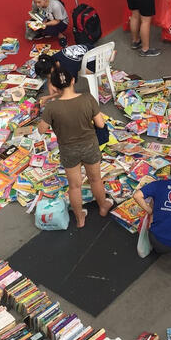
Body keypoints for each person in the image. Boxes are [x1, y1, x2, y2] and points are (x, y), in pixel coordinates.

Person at [37, 67, 113, 228]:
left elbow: (41, 130)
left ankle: (80, 218)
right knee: (95, 179)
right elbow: (100, 124)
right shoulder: (87, 98)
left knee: (74, 186)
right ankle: (103, 206)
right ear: (73, 81)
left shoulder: (52, 107)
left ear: (54, 87)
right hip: (90, 145)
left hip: (68, 149)